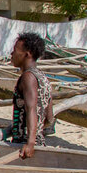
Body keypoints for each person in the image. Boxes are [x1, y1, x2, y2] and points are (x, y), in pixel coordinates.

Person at [9, 31, 54, 159]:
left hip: (23, 146)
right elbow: (49, 118)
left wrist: (30, 142)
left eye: (15, 50)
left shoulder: (28, 77)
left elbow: (31, 109)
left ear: (27, 54)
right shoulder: (43, 78)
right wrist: (36, 133)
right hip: (40, 143)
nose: (12, 54)